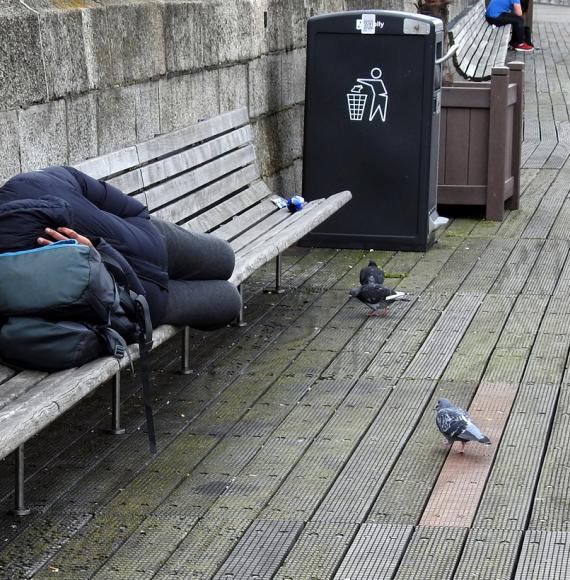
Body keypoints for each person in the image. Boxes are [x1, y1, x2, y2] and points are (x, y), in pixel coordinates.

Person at [0, 166, 242, 331]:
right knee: (230, 301)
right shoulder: (13, 264)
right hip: (145, 302)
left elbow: (106, 195)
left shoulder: (31, 183)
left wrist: (136, 221)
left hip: (157, 240)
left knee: (225, 256)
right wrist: (95, 257)